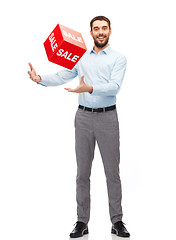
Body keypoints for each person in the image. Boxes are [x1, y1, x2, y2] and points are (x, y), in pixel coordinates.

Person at [28, 16, 130, 238]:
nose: (100, 32)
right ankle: (82, 222)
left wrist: (89, 87)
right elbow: (63, 75)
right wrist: (40, 78)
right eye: (96, 29)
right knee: (82, 173)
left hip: (108, 119)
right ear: (91, 32)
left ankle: (117, 221)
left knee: (112, 173)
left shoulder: (118, 58)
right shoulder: (81, 56)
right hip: (83, 119)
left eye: (104, 28)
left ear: (110, 31)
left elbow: (114, 87)